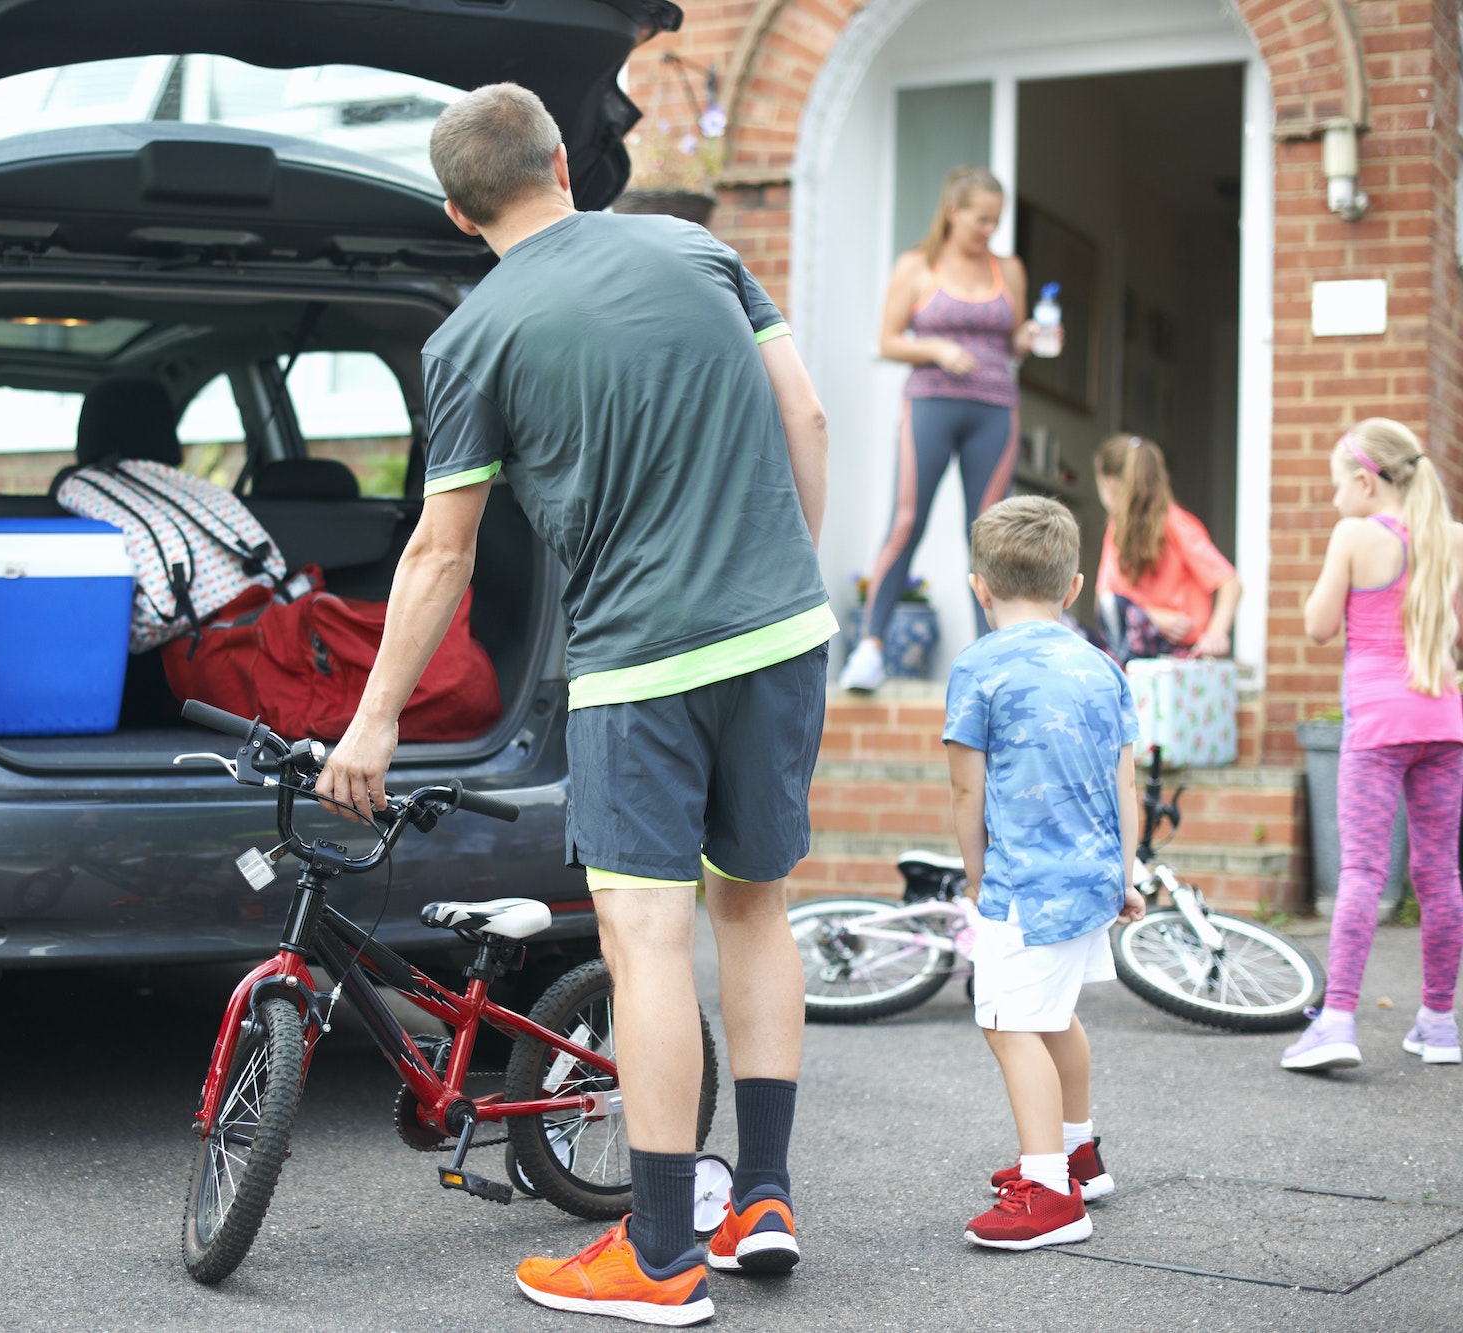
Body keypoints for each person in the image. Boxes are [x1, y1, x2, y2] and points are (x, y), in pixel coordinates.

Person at [315, 84, 833, 1325]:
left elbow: (442, 554)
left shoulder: (470, 338)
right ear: (562, 159)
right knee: (753, 910)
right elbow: (803, 414)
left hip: (637, 668)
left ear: (455, 212)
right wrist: (783, 583)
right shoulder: (695, 248)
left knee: (643, 942)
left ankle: (656, 1255)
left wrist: (375, 716)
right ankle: (757, 1195)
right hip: (780, 632)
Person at [943, 496, 1143, 1250]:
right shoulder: (1103, 667)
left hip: (1024, 883)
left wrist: (974, 871)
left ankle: (1050, 1192)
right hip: (1093, 874)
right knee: (1054, 1014)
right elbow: (1127, 784)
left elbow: (968, 788)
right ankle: (1077, 1154)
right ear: (1073, 587)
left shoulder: (978, 668)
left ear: (979, 586)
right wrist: (1126, 874)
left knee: (1007, 1022)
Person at [1280, 419, 1463, 1071]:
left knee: (1361, 871)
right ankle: (1439, 1022)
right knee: (1440, 873)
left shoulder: (1355, 535)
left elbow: (1319, 626)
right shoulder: (1452, 540)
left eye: (1336, 486)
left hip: (1378, 728)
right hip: (1443, 723)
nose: (1333, 500)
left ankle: (1337, 1021)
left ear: (1364, 481)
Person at [840, 166, 1039, 692]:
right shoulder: (916, 266)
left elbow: (1013, 340)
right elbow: (887, 340)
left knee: (988, 535)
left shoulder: (1009, 269)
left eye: (995, 221)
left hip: (994, 410)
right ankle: (870, 647)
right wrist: (936, 348)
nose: (988, 231)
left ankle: (991, 658)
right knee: (906, 522)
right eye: (980, 219)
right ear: (953, 211)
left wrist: (1032, 338)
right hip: (930, 405)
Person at [1091, 434, 1241, 662]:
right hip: (1137, 647)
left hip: (1181, 649)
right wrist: (1152, 616)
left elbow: (1230, 584)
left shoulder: (1177, 524)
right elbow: (1105, 601)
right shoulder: (1116, 530)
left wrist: (1215, 634)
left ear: (1109, 485)